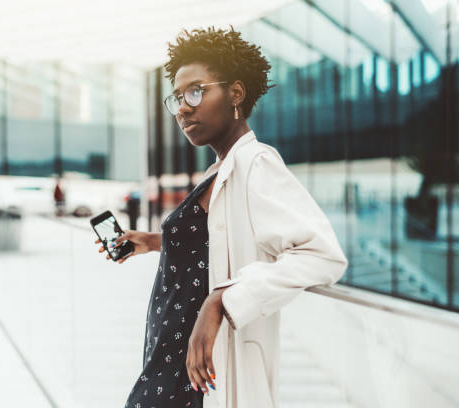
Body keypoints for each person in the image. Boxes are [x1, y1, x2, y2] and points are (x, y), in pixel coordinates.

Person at [95, 27, 348, 408]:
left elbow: (322, 255)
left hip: (199, 376)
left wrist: (222, 301)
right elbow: (216, 240)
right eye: (178, 97)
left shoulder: (257, 163)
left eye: (196, 91)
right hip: (169, 361)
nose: (182, 107)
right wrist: (152, 241)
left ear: (235, 93)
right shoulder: (220, 170)